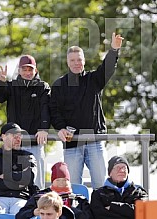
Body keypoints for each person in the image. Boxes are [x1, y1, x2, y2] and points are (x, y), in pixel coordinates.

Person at [49, 33, 124, 189]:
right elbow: (54, 111)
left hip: (95, 140)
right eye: (73, 60)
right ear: (67, 62)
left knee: (101, 186)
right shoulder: (59, 85)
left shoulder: (93, 80)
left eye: (79, 60)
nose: (76, 63)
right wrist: (60, 128)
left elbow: (107, 68)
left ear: (84, 61)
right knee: (74, 187)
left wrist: (114, 50)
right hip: (72, 144)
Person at [0, 54, 51, 189]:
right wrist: (1, 81)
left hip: (35, 142)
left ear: (36, 71)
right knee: (15, 181)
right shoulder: (11, 86)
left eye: (30, 69)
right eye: (25, 69)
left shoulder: (42, 87)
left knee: (37, 182)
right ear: (19, 70)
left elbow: (46, 109)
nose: (28, 73)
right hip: (15, 144)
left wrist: (44, 129)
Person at [0, 122, 38, 215]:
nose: (18, 138)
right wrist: (19, 179)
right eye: (14, 135)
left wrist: (6, 176)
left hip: (21, 198)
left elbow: (29, 179)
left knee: (20, 211)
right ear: (3, 137)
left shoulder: (28, 156)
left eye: (19, 136)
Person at [16, 162, 92, 219]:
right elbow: (20, 215)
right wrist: (33, 212)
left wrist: (67, 211)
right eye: (58, 180)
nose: (61, 183)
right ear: (52, 181)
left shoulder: (78, 199)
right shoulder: (40, 196)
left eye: (64, 180)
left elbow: (89, 216)